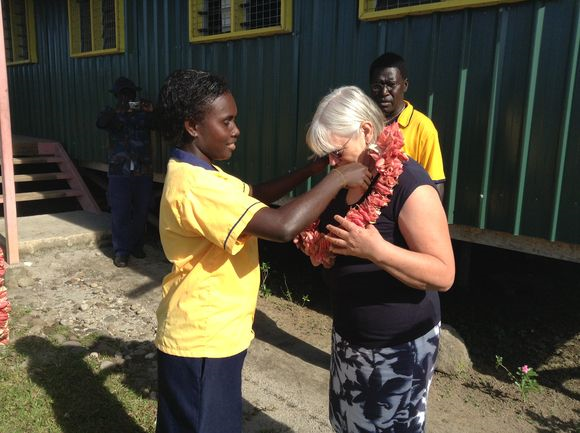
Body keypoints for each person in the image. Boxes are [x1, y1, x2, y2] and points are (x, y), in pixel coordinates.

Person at [154, 69, 372, 433]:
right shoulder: (196, 187)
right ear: (192, 126)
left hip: (212, 332)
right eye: (226, 121)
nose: (236, 130)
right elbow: (282, 226)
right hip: (201, 338)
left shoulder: (205, 174)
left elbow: (255, 195)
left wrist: (313, 168)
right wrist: (337, 178)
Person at [295, 86, 455, 433]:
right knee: (347, 425)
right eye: (326, 156)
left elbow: (443, 274)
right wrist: (323, 252)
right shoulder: (344, 176)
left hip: (398, 347)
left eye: (337, 152)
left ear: (366, 130)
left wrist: (376, 251)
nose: (331, 163)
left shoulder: (409, 183)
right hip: (349, 338)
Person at [369, 52, 446, 200]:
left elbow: (436, 183)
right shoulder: (363, 124)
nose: (384, 92)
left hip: (404, 208)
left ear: (405, 85)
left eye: (391, 85)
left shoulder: (422, 127)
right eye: (377, 86)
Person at [96, 76, 156, 267]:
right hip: (119, 172)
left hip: (142, 170)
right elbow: (100, 123)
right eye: (122, 95)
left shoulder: (143, 113)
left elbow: (160, 124)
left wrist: (152, 111)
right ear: (117, 96)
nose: (126, 98)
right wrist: (117, 112)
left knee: (141, 211)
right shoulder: (111, 113)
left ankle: (136, 245)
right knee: (120, 212)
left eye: (129, 94)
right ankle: (121, 251)